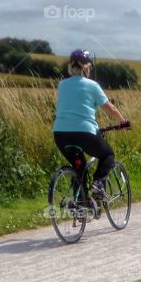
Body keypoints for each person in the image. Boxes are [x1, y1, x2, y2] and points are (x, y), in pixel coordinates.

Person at [53, 50, 130, 200]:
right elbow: (110, 108)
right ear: (86, 68)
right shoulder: (92, 85)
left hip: (60, 134)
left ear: (71, 67)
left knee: (79, 168)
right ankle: (98, 185)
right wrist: (123, 122)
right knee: (108, 155)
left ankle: (79, 203)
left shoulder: (62, 85)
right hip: (84, 133)